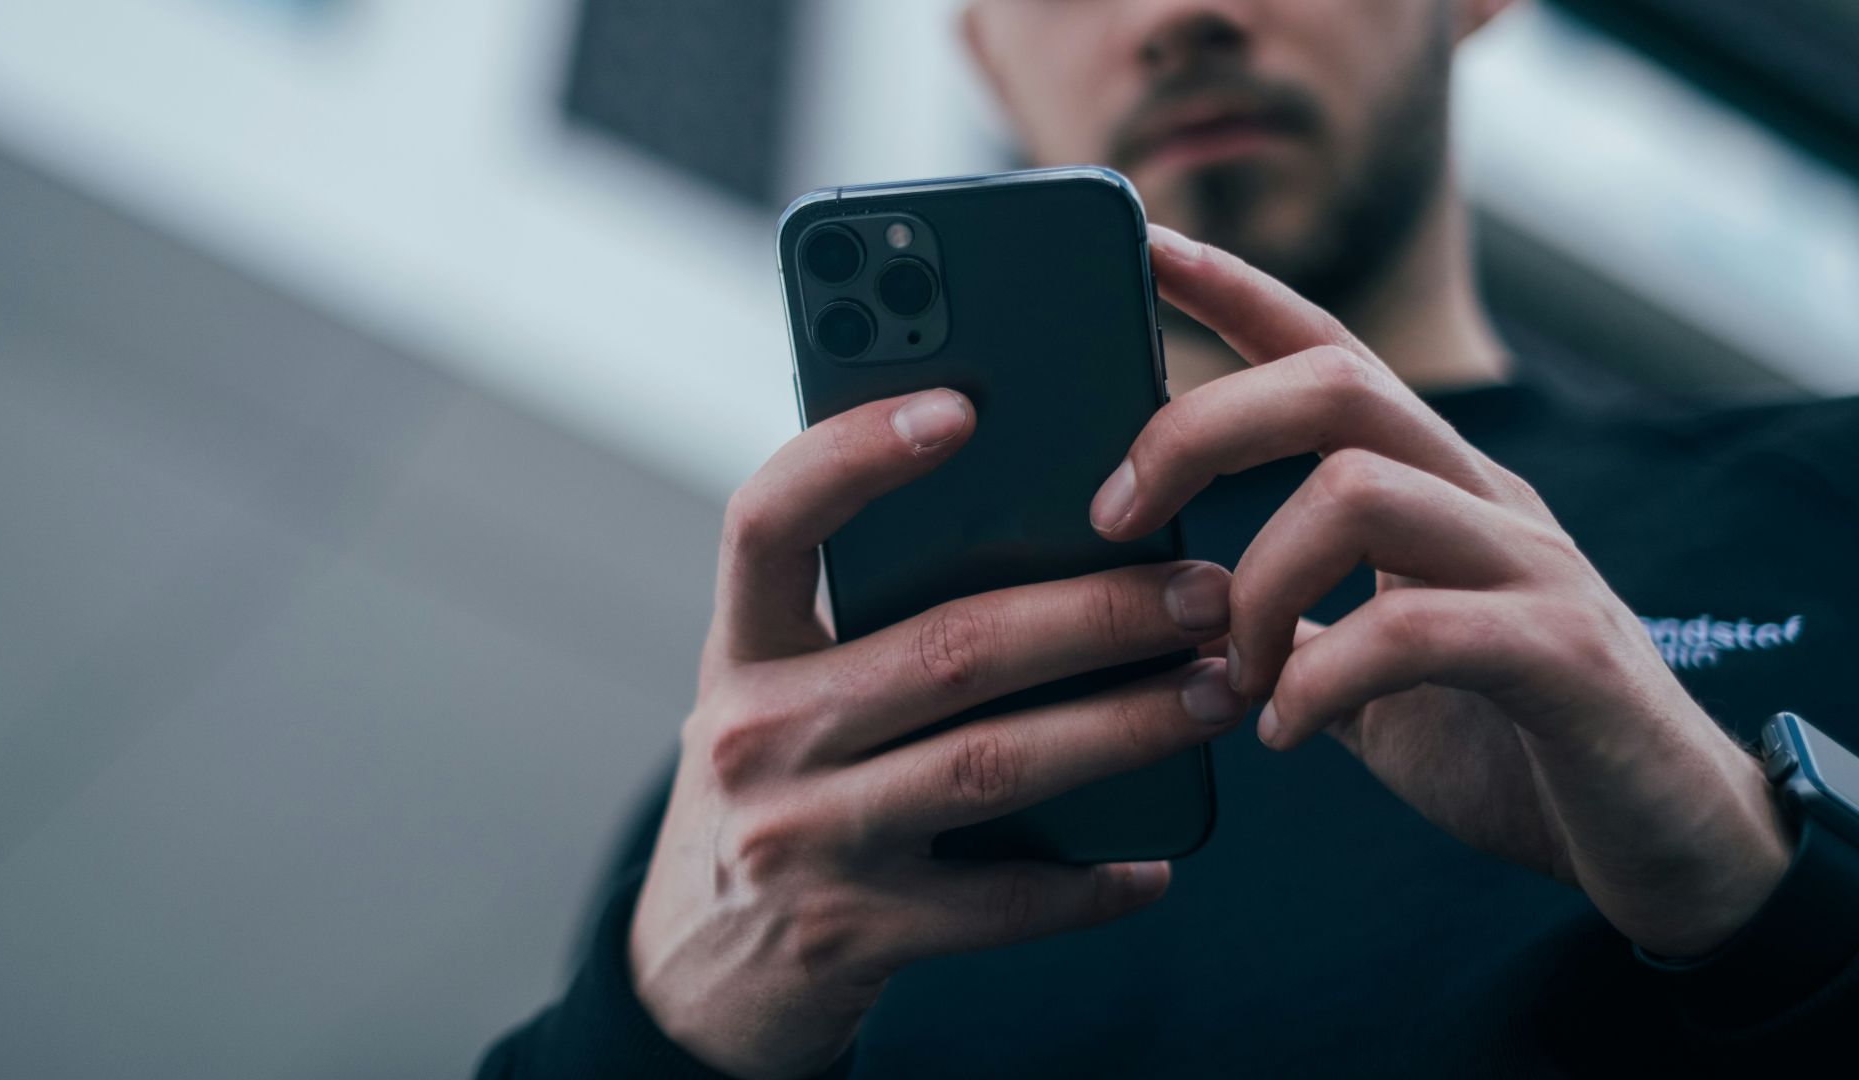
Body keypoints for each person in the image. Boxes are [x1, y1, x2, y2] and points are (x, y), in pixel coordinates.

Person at [479, 2, 1859, 1076]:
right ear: (989, 59)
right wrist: (656, 1033)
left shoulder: (1826, 501)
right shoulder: (788, 778)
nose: (1175, 12)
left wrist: (1760, 891)